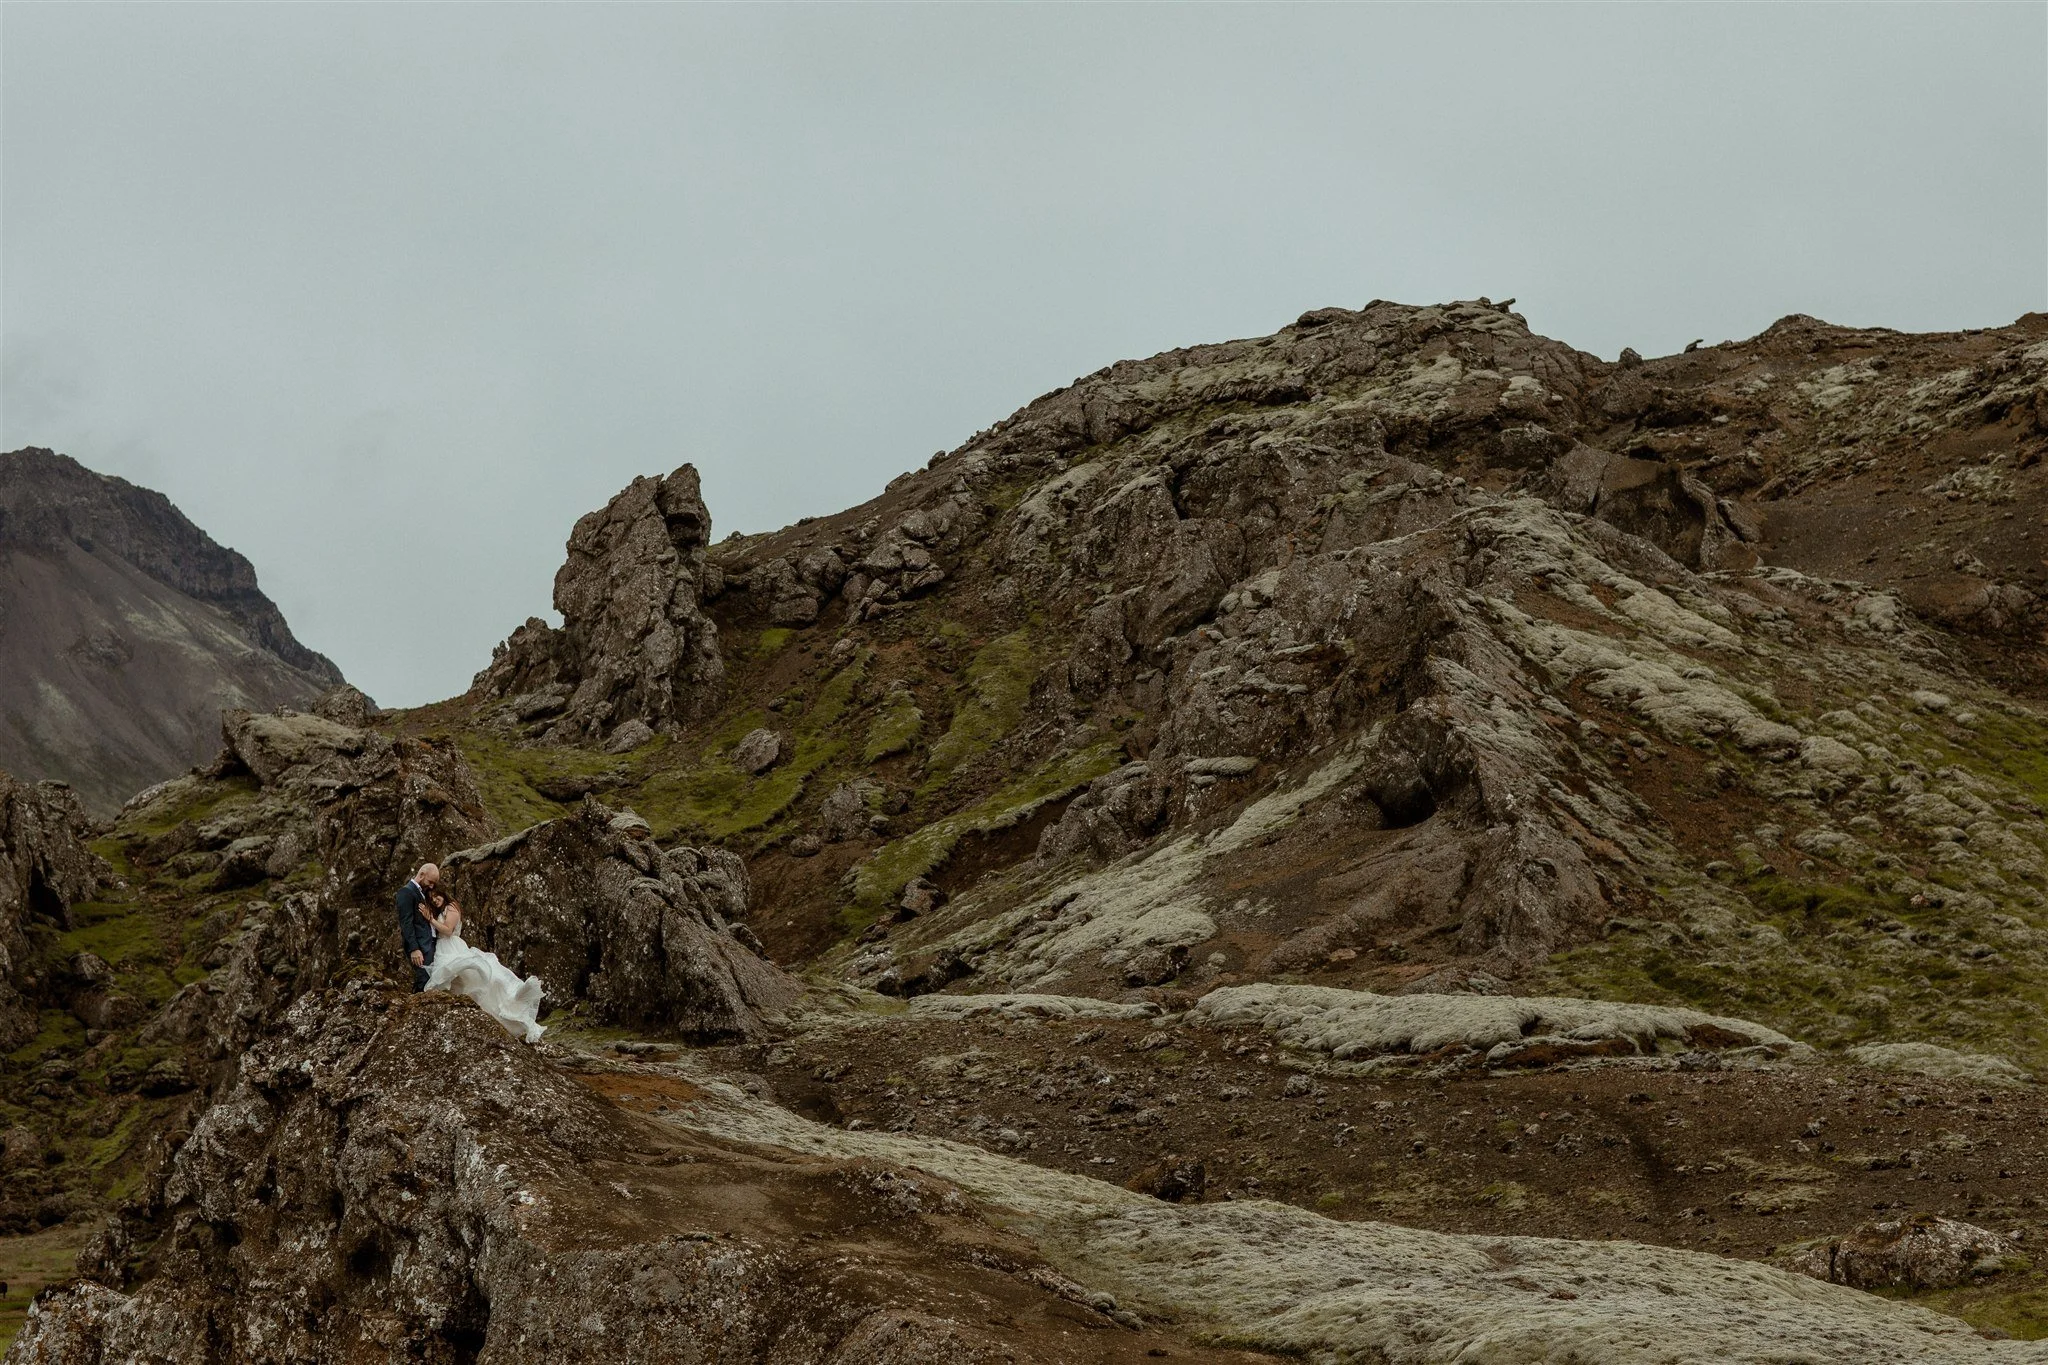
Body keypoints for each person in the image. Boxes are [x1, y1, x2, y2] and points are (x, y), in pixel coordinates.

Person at [419, 893, 547, 1044]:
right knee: (458, 985)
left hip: (452, 947)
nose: (435, 900)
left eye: (436, 896)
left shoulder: (451, 907)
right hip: (442, 949)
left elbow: (448, 930)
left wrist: (431, 919)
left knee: (472, 981)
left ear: (443, 893)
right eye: (432, 899)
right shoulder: (440, 910)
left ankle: (505, 1019)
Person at [395, 863, 440, 992]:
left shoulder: (423, 893)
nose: (431, 886)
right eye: (430, 882)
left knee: (430, 982)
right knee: (424, 982)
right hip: (421, 947)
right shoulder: (406, 892)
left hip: (429, 944)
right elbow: (406, 923)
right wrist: (414, 949)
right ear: (421, 875)